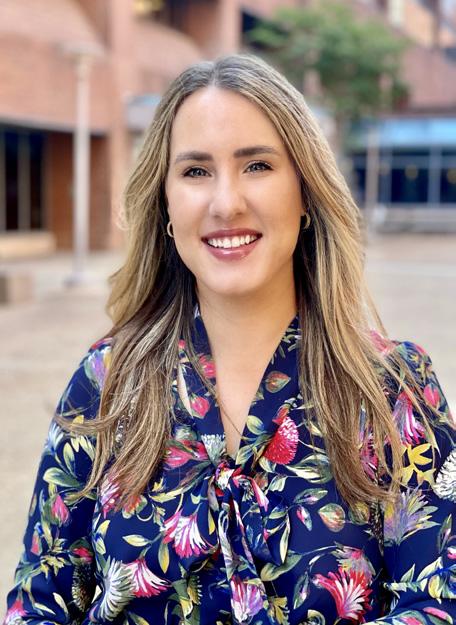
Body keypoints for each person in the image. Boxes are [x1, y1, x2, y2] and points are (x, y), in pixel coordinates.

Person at [4, 54, 455, 625]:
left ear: (305, 191)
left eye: (257, 165)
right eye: (196, 171)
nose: (226, 203)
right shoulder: (106, 382)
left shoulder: (391, 388)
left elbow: (438, 604)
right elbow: (37, 603)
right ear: (166, 203)